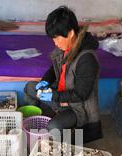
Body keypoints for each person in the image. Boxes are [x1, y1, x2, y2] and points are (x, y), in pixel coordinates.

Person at [24, 6, 102, 143]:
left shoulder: (87, 59)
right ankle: (40, 117)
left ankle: (62, 151)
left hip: (77, 108)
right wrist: (45, 81)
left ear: (71, 33)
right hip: (60, 96)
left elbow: (81, 94)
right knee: (30, 87)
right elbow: (54, 68)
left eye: (57, 38)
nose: (55, 42)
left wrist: (53, 95)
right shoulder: (65, 47)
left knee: (53, 126)